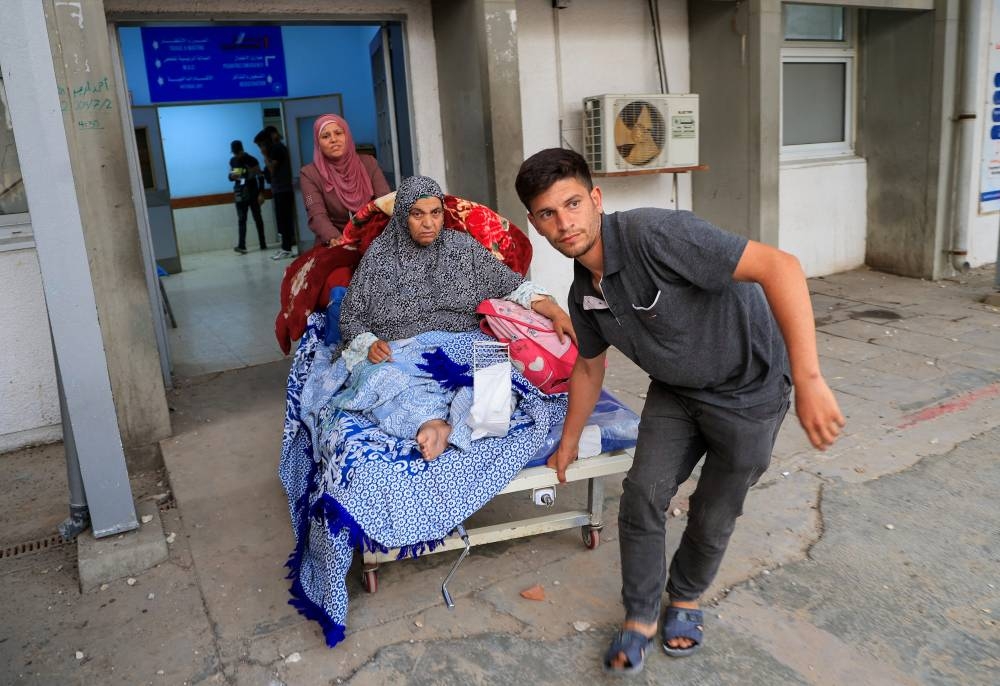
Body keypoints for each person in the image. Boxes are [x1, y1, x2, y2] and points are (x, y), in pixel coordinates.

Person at [514, 148, 845, 674]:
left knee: (715, 508)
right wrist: (570, 437)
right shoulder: (583, 293)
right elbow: (587, 367)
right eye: (548, 213)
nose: (565, 222)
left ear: (595, 199)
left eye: (573, 203)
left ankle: (685, 597)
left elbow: (780, 266)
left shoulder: (657, 236)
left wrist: (808, 379)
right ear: (534, 224)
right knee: (642, 493)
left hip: (749, 392)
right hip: (676, 391)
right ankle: (641, 613)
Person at [337, 175, 575, 461]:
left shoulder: (462, 248)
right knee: (381, 381)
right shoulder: (379, 257)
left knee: (496, 388)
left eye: (435, 213)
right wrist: (370, 343)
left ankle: (458, 427)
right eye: (417, 214)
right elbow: (351, 315)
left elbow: (513, 286)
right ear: (402, 216)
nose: (428, 224)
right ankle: (430, 423)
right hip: (404, 350)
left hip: (468, 341)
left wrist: (557, 312)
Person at [299, 114, 391, 247]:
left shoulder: (369, 163)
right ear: (318, 143)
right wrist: (334, 237)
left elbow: (385, 201)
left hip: (374, 238)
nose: (333, 140)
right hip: (334, 242)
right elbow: (315, 212)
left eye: (338, 133)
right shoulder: (309, 174)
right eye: (325, 136)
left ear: (347, 136)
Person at [254, 127, 296, 260]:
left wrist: (265, 155)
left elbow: (272, 169)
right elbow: (269, 174)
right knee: (281, 220)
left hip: (284, 189)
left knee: (285, 220)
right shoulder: (275, 150)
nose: (260, 148)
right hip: (278, 189)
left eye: (261, 145)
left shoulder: (277, 149)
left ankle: (287, 249)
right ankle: (285, 248)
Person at [228, 140, 266, 254]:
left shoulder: (252, 160)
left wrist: (261, 193)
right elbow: (231, 177)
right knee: (241, 219)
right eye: (234, 153)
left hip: (253, 191)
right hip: (240, 192)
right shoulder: (233, 160)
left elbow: (260, 177)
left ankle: (262, 243)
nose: (236, 155)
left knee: (257, 217)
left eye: (237, 153)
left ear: (241, 150)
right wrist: (233, 176)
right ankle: (242, 245)